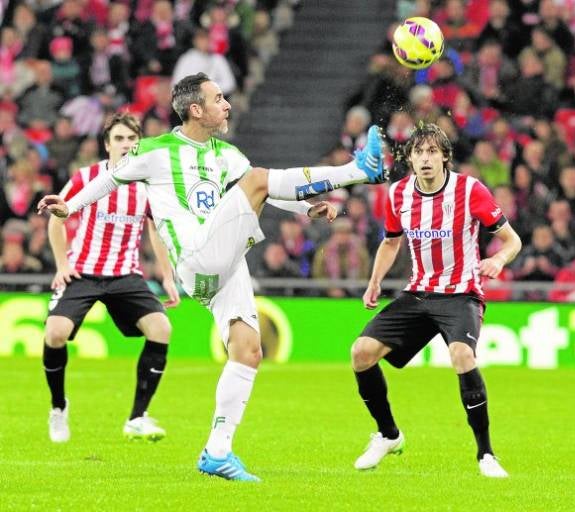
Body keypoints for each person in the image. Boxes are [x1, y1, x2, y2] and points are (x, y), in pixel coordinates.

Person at [37, 72, 387, 482]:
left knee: (248, 349)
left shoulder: (227, 155)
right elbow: (108, 179)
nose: (227, 105)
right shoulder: (155, 150)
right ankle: (358, 170)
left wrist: (307, 209)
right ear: (195, 109)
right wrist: (71, 206)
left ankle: (217, 451)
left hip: (223, 262)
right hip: (197, 256)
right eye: (218, 98)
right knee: (257, 178)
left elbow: (268, 191)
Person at [349, 123, 522, 478]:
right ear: (409, 158)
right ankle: (388, 434)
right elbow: (391, 241)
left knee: (462, 355)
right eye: (418, 152)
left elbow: (512, 240)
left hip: (461, 294)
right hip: (418, 293)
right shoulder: (398, 194)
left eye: (432, 152)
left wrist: (498, 260)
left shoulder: (470, 190)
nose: (425, 159)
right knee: (361, 353)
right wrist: (374, 282)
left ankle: (486, 454)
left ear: (445, 156)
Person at [43, 113, 180, 444]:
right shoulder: (87, 176)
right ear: (107, 145)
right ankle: (59, 407)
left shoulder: (148, 187)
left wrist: (167, 275)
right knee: (55, 334)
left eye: (132, 139)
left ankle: (137, 418)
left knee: (161, 329)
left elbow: (156, 229)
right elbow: (56, 218)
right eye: (119, 139)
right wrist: (62, 265)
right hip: (84, 271)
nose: (126, 144)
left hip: (125, 275)